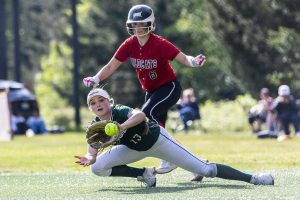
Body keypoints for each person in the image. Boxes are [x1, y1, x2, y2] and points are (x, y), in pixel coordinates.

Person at [83, 5, 206, 176]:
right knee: (155, 126)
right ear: (130, 26)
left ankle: (173, 159)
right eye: (135, 24)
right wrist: (96, 78)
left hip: (168, 87)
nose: (138, 28)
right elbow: (111, 65)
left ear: (151, 24)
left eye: (142, 24)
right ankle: (195, 167)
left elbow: (183, 58)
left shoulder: (160, 43)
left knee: (147, 117)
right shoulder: (129, 44)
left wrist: (194, 62)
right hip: (151, 91)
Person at [75, 88, 274, 187]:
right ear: (90, 108)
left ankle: (254, 178)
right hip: (135, 149)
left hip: (158, 141)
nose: (98, 104)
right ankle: (145, 174)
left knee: (205, 169)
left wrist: (122, 126)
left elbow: (141, 115)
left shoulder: (119, 111)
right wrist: (90, 157)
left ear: (109, 101)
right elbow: (92, 146)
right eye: (93, 102)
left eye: (101, 99)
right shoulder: (96, 125)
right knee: (97, 168)